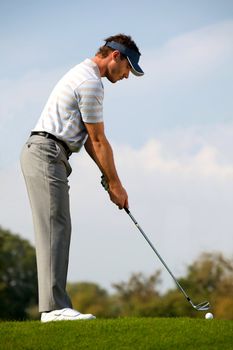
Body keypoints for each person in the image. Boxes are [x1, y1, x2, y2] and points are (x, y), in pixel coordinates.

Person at [20, 34, 144, 322]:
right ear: (115, 56)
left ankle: (54, 306)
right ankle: (53, 309)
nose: (127, 76)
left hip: (49, 153)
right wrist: (116, 184)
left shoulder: (84, 74)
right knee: (56, 227)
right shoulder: (90, 83)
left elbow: (89, 140)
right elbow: (99, 140)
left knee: (58, 225)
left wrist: (108, 176)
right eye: (128, 69)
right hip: (46, 153)